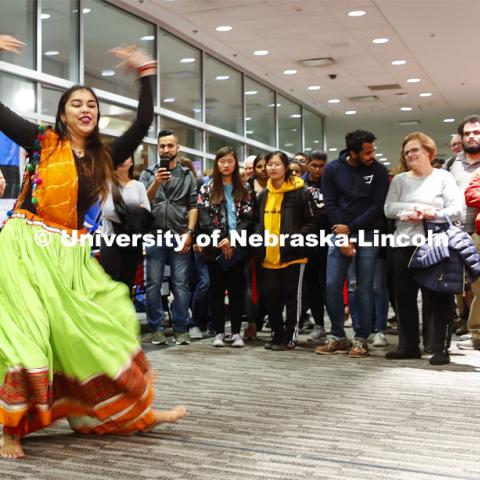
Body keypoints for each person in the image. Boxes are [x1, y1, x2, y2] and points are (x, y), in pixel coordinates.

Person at [0, 35, 186, 459]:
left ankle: (129, 412)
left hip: (69, 257)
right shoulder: (42, 141)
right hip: (24, 249)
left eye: (92, 105)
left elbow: (142, 124)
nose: (86, 110)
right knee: (25, 338)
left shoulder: (105, 155)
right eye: (76, 104)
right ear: (62, 114)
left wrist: (146, 75)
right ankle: (10, 428)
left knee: (94, 334)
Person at [384, 132, 462, 365]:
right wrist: (416, 207)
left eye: (415, 150)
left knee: (439, 297)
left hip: (435, 243)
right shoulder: (399, 180)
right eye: (407, 152)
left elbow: (456, 209)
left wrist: (431, 213)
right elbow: (388, 208)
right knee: (404, 297)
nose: (410, 155)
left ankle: (439, 348)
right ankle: (408, 346)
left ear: (429, 151)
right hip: (403, 245)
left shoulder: (443, 177)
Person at [316, 130, 389, 358]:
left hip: (368, 233)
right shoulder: (332, 169)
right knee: (332, 285)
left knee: (363, 288)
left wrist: (351, 228)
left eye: (373, 150)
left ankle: (360, 339)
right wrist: (343, 234)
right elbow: (330, 202)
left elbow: (377, 206)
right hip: (339, 232)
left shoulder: (378, 170)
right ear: (353, 152)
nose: (372, 155)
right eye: (367, 152)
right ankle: (337, 336)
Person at [139, 129, 198, 346]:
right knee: (153, 284)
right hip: (154, 236)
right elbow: (143, 203)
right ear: (157, 148)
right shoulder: (147, 174)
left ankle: (181, 328)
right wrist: (155, 183)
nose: (166, 150)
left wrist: (190, 234)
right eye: (162, 146)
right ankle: (156, 328)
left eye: (170, 146)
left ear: (177, 148)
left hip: (179, 235)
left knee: (181, 284)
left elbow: (193, 206)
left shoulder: (187, 175)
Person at [255, 151, 318, 350]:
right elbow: (257, 222)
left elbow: (314, 220)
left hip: (293, 255)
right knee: (271, 297)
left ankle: (291, 335)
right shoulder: (263, 195)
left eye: (276, 164)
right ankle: (277, 334)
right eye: (269, 164)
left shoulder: (301, 192)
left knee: (293, 297)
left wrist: (295, 239)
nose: (272, 168)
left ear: (285, 167)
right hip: (268, 255)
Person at [197, 147, 254, 348]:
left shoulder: (245, 190)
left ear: (235, 162)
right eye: (222, 161)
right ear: (216, 164)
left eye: (230, 161)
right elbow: (204, 220)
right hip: (214, 248)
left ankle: (236, 332)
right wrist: (222, 240)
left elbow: (248, 218)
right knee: (217, 291)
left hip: (238, 247)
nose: (226, 165)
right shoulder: (206, 189)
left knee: (237, 291)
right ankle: (219, 332)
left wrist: (233, 239)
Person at [99, 155, 150, 294]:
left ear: (132, 161)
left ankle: (124, 315)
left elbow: (146, 214)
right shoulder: (107, 183)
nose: (122, 160)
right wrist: (136, 211)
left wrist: (123, 210)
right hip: (111, 241)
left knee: (127, 285)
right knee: (110, 286)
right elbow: (108, 210)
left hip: (132, 242)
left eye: (126, 157)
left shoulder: (139, 186)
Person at [452, 115, 480, 349]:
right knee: (465, 286)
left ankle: (476, 332)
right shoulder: (455, 163)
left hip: (479, 229)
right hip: (459, 232)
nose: (471, 136)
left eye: (476, 132)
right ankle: (470, 327)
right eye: (467, 133)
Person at [301, 151, 329, 342]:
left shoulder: (331, 183)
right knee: (311, 285)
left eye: (321, 166)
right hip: (307, 238)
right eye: (314, 165)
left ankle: (335, 327)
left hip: (328, 236)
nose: (318, 169)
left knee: (328, 284)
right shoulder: (299, 184)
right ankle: (318, 324)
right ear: (308, 165)